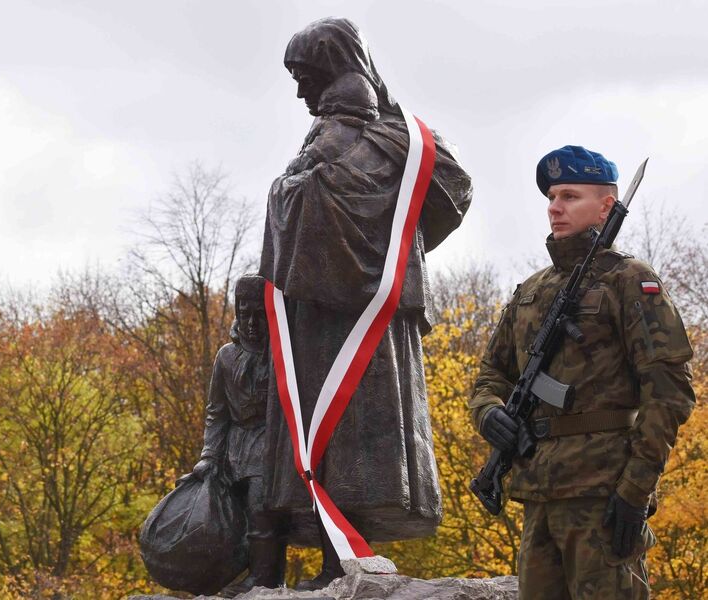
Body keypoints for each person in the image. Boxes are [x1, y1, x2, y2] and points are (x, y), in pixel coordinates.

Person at [259, 17, 473, 589]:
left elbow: (452, 187)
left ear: (333, 68)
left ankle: (346, 557)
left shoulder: (396, 136)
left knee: (360, 431)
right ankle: (335, 556)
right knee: (327, 431)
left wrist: (394, 238)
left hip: (368, 314)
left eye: (306, 76)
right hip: (319, 308)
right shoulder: (352, 133)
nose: (301, 91)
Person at [469, 145, 695, 599]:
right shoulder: (532, 291)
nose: (555, 208)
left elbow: (669, 394)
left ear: (606, 206)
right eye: (552, 197)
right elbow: (491, 376)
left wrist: (634, 491)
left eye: (570, 196)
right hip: (538, 494)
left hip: (603, 494)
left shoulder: (630, 281)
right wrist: (489, 412)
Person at [190, 274, 284, 595]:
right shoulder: (225, 357)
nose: (252, 322)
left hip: (270, 445)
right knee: (242, 517)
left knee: (262, 510)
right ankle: (261, 576)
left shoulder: (281, 354)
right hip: (235, 449)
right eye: (245, 314)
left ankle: (265, 578)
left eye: (259, 314)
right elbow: (217, 412)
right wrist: (208, 457)